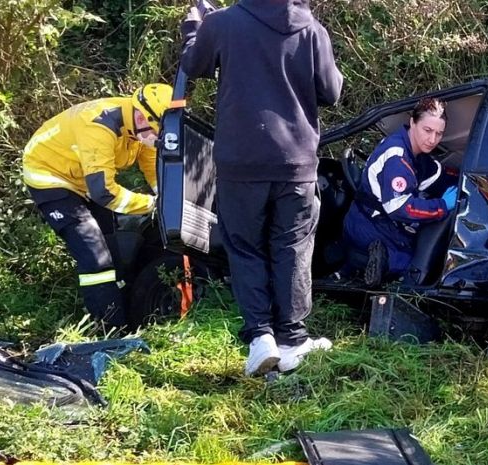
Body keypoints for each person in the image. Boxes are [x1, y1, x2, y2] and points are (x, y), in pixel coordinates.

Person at [180, 0, 343, 376]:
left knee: (245, 246)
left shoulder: (223, 22)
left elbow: (194, 64)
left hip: (242, 162)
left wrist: (193, 26)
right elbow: (332, 91)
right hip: (297, 163)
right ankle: (293, 338)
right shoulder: (312, 29)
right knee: (293, 247)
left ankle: (261, 337)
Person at [22, 84, 176, 328]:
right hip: (50, 176)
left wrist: (167, 196)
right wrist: (151, 204)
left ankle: (128, 319)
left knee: (113, 249)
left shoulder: (140, 127)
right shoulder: (99, 126)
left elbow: (151, 166)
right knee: (95, 256)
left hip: (84, 178)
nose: (156, 138)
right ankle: (108, 331)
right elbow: (104, 193)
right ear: (140, 116)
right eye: (155, 132)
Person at [343, 97, 459, 286]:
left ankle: (373, 264)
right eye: (427, 130)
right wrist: (442, 207)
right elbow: (401, 208)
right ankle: (376, 265)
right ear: (412, 122)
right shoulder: (397, 157)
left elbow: (437, 175)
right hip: (369, 224)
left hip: (383, 221)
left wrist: (464, 180)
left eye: (439, 133)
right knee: (413, 269)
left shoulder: (417, 153)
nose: (432, 140)